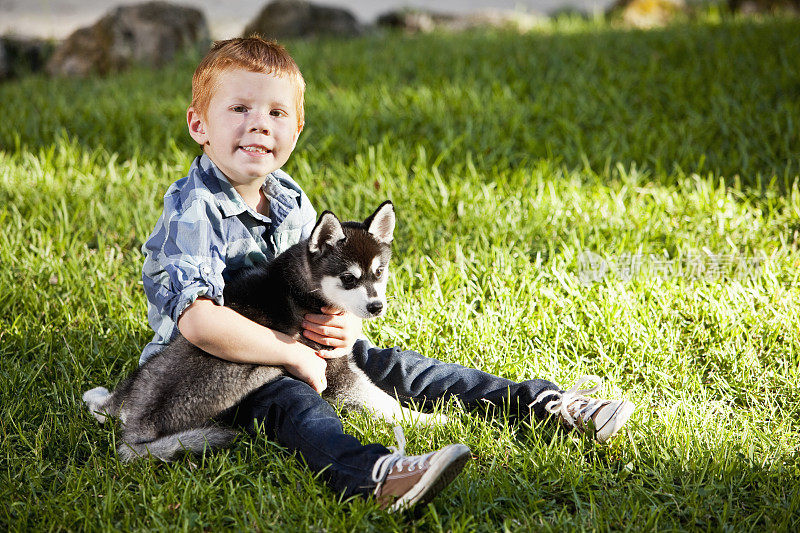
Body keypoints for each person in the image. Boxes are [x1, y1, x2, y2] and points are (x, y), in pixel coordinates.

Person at [140, 36, 635, 512]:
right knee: (293, 403)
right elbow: (200, 324)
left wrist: (344, 326)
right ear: (199, 125)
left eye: (276, 113)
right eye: (239, 109)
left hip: (296, 341)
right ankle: (373, 476)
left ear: (296, 129)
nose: (260, 125)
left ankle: (539, 404)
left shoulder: (289, 197)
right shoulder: (194, 210)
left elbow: (325, 283)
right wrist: (289, 353)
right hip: (210, 369)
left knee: (395, 364)